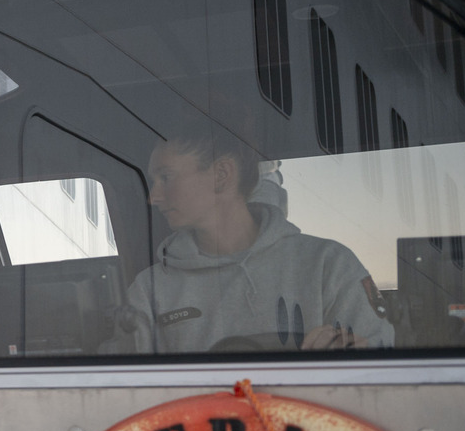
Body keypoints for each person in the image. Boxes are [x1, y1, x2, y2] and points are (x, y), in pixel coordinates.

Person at [112, 123, 392, 354]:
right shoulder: (148, 290)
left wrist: (351, 354)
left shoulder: (328, 265)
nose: (153, 197)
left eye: (166, 177)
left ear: (221, 175)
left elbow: (383, 367)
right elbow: (124, 390)